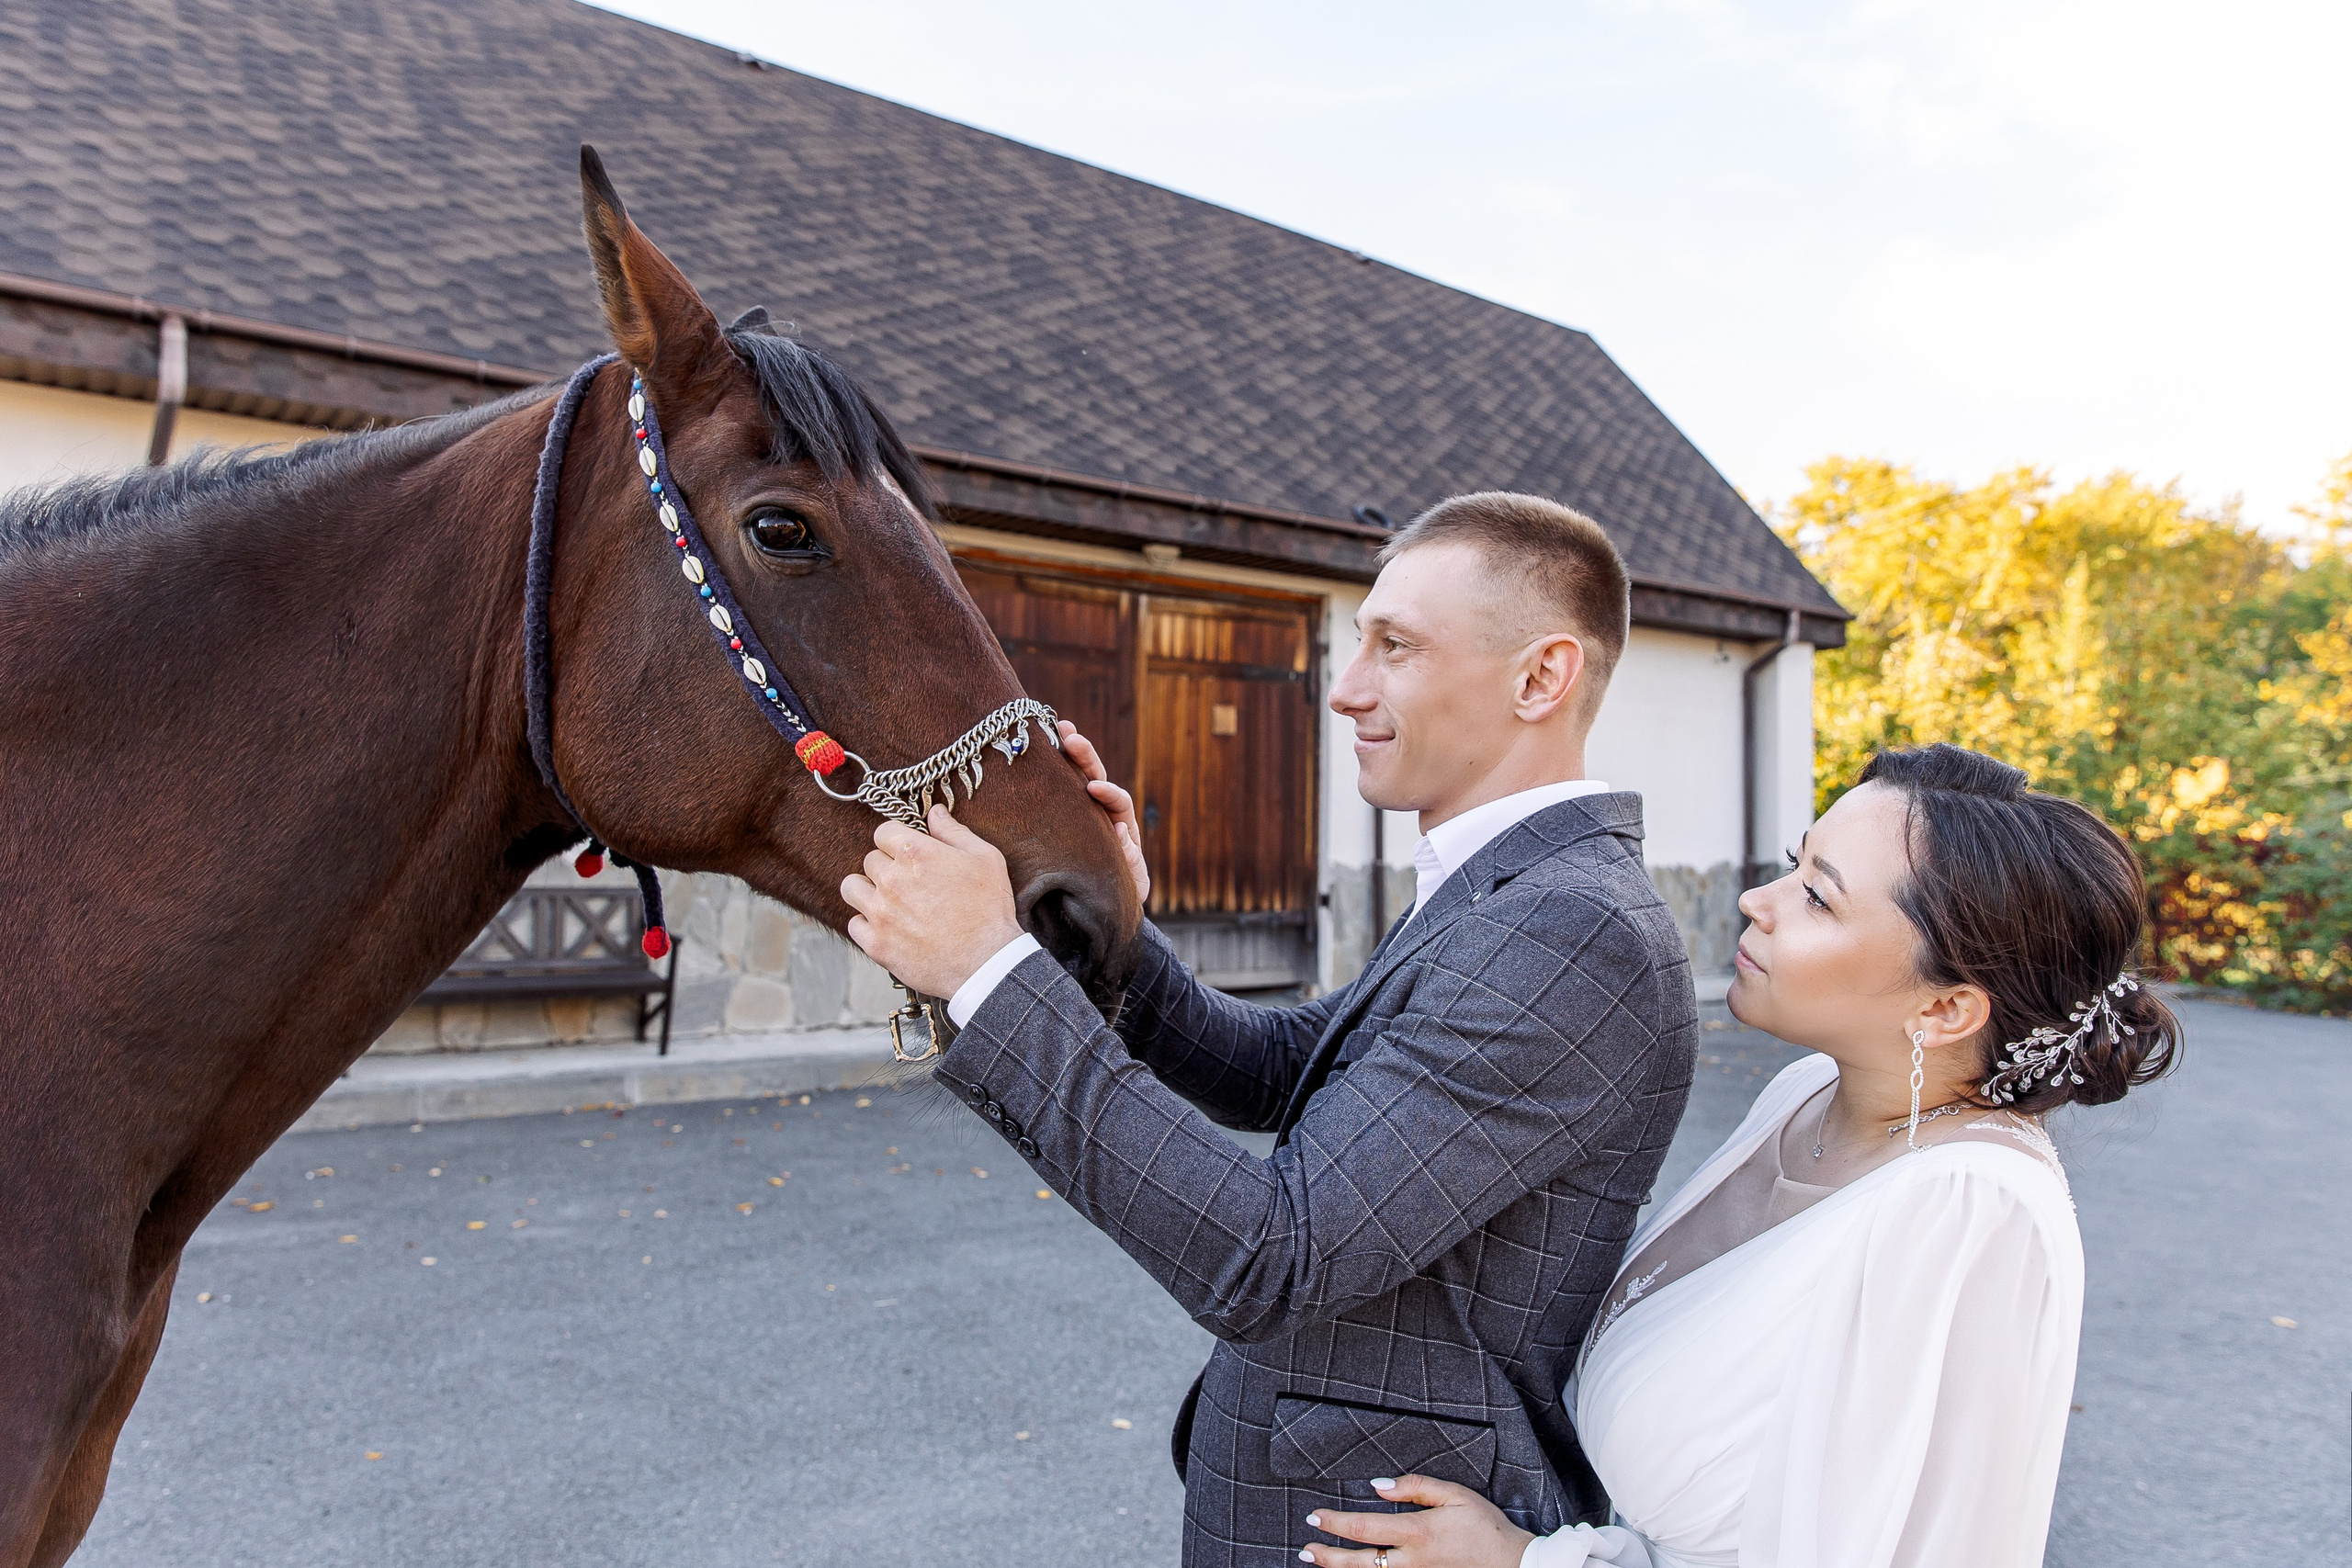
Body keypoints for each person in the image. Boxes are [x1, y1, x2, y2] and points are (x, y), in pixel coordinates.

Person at [842, 492, 1700, 1565]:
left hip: (1369, 1523)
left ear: (1540, 679)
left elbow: (1272, 1253)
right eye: (1358, 643)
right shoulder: (1509, 889)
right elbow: (1288, 1069)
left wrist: (988, 974)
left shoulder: (1572, 930)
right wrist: (1113, 932)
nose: (1346, 689)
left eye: (1395, 648)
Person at [1292, 742, 2182, 1568]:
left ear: (1944, 1009)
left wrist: (1524, 1560)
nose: (1760, 898)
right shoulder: (1806, 1094)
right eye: (1796, 862)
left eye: (1818, 896)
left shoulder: (1963, 1208)